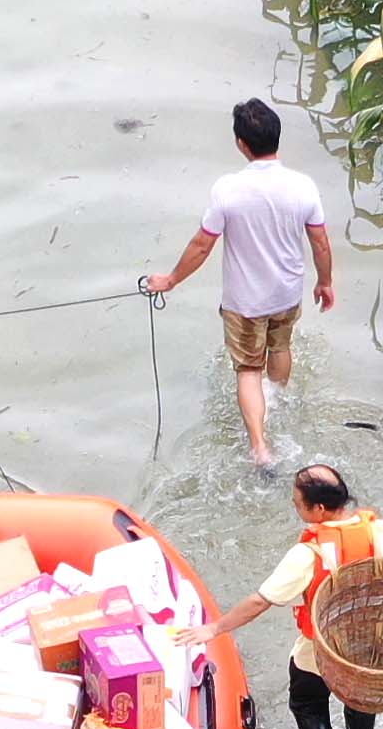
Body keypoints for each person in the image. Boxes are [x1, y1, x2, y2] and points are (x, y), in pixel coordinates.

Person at [139, 97, 335, 468]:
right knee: (280, 348)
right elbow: (320, 241)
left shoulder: (228, 190)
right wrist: (325, 282)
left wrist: (170, 280)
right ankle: (276, 402)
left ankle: (260, 447)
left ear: (241, 144)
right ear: (277, 138)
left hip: (246, 302)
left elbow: (202, 245)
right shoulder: (303, 186)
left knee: (248, 368)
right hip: (288, 292)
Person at [218, 460, 383, 729]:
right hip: (371, 646)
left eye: (298, 502)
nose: (294, 505)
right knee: (359, 696)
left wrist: (214, 629)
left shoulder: (308, 554)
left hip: (322, 651)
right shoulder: (382, 532)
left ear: (318, 509)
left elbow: (261, 601)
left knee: (307, 705)